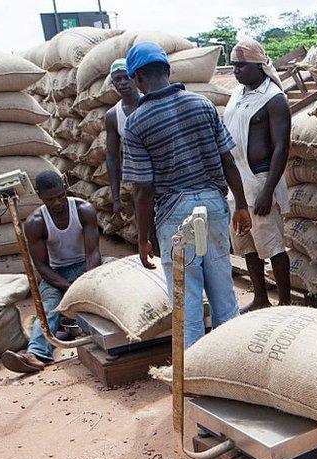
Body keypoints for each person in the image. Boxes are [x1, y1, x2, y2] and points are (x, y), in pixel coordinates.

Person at [121, 43, 251, 348]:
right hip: (214, 205)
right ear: (167, 71)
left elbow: (142, 189)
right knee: (224, 294)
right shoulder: (202, 104)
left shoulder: (136, 123)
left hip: (175, 215)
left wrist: (142, 239)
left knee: (186, 301)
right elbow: (227, 160)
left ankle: (192, 374)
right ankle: (230, 366)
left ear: (137, 78)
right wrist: (241, 205)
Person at [1, 171, 102, 374]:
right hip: (57, 273)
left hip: (86, 266)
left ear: (65, 189)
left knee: (119, 271)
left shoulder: (84, 210)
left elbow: (93, 252)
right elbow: (42, 267)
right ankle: (35, 354)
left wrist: (87, 281)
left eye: (59, 196)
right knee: (47, 307)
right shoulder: (35, 223)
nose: (56, 203)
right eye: (49, 199)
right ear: (40, 197)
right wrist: (68, 287)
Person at [223, 38, 293, 311]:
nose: (236, 71)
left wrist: (268, 190)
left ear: (258, 66)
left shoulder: (273, 99)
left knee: (272, 244)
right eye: (234, 66)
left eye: (241, 66)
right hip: (237, 184)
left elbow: (281, 147)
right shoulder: (235, 96)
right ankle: (261, 298)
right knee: (247, 244)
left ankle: (285, 301)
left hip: (261, 180)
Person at [104, 58, 142, 222]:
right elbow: (112, 156)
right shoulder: (113, 116)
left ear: (135, 77)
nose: (123, 83)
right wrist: (116, 197)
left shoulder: (151, 103)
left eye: (127, 77)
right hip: (139, 182)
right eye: (117, 80)